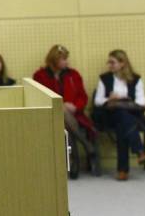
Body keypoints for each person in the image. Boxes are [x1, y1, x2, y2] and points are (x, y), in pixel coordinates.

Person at [33, 45, 99, 176]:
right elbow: (39, 97)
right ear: (54, 60)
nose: (67, 62)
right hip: (49, 115)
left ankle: (74, 163)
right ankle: (85, 144)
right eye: (63, 59)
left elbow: (82, 96)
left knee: (65, 123)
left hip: (74, 115)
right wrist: (60, 106)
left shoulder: (73, 74)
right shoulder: (40, 76)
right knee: (61, 112)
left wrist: (75, 106)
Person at [93, 50, 145, 181]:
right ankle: (139, 152)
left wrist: (122, 101)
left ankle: (123, 171)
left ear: (122, 63)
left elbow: (141, 102)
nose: (109, 65)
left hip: (126, 118)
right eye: (109, 62)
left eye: (112, 62)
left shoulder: (136, 79)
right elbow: (97, 101)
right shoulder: (104, 78)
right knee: (123, 117)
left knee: (122, 123)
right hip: (109, 116)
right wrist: (110, 99)